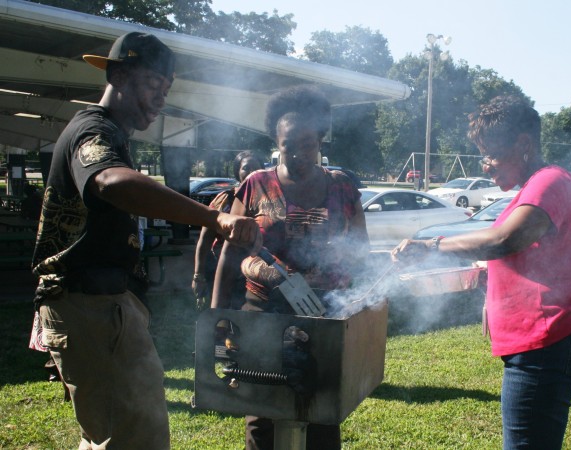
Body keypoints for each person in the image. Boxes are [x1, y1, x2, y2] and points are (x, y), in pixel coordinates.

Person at [30, 32, 261, 450]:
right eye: (153, 84)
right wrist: (213, 217)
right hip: (94, 307)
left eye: (166, 89)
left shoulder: (111, 135)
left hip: (98, 306)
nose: (160, 98)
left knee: (107, 435)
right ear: (118, 74)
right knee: (137, 439)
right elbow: (111, 180)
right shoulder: (93, 130)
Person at [392, 95, 571, 449]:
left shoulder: (549, 181)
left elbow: (508, 238)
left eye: (490, 153)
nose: (486, 165)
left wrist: (432, 247)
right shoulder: (533, 188)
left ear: (523, 144)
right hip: (541, 341)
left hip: (550, 340)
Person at [211, 85, 370, 450]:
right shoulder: (255, 185)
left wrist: (364, 307)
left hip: (325, 318)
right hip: (262, 316)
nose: (298, 154)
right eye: (288, 145)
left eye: (308, 144)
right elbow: (229, 254)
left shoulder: (342, 187)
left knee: (322, 416)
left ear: (321, 141)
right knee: (262, 418)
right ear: (275, 141)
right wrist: (217, 317)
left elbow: (361, 251)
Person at [192, 150, 263, 310]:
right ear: (238, 172)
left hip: (254, 276)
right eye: (246, 168)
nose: (251, 172)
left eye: (255, 168)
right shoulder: (225, 200)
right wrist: (198, 275)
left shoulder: (267, 203)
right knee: (222, 316)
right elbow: (205, 239)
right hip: (222, 270)